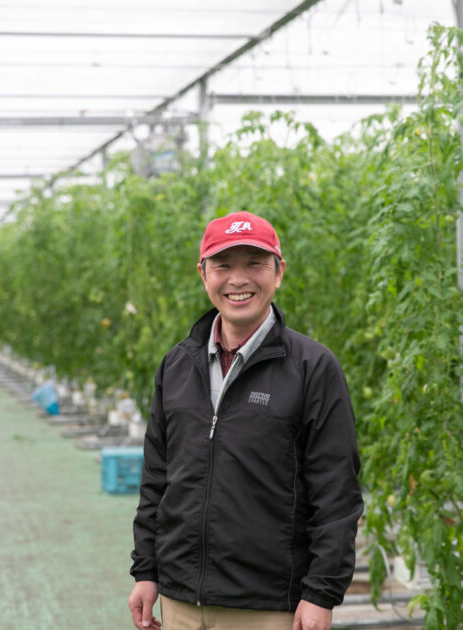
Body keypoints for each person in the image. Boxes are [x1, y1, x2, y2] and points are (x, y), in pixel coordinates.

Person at [128, 211, 363, 630]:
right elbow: (157, 478)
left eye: (254, 263)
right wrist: (146, 570)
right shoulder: (177, 365)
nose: (238, 279)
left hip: (267, 606)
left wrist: (320, 593)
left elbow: (336, 489)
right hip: (181, 600)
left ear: (279, 272)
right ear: (203, 274)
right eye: (223, 265)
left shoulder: (311, 367)